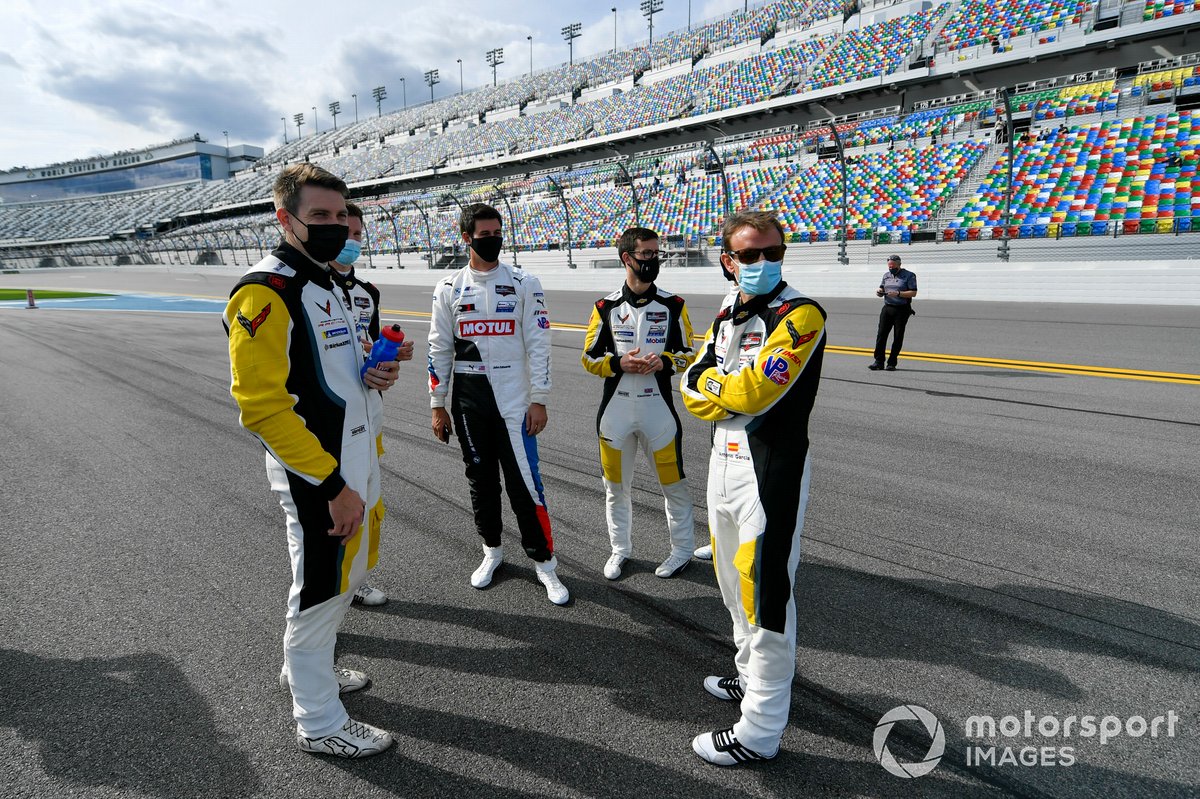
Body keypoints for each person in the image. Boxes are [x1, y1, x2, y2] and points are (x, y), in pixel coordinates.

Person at [224, 164, 411, 759]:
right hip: (317, 471)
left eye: (340, 215)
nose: (334, 226)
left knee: (338, 579)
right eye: (320, 217)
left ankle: (305, 672)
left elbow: (332, 376)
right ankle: (320, 720)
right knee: (325, 587)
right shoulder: (265, 292)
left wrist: (376, 374)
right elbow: (262, 409)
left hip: (356, 453)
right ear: (285, 220)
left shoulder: (331, 284)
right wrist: (332, 484)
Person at [681, 210, 827, 767]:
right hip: (722, 461)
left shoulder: (802, 313)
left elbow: (755, 390)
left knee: (764, 594)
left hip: (770, 469)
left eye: (772, 252)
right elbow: (691, 387)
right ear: (728, 260)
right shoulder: (725, 310)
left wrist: (718, 385)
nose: (763, 262)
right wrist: (722, 386)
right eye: (750, 255)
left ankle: (760, 733)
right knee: (727, 583)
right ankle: (750, 680)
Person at [428, 203, 568, 605]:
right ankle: (492, 551)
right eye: (485, 234)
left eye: (497, 232)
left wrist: (539, 399)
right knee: (480, 481)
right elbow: (439, 349)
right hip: (469, 401)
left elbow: (539, 344)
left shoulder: (525, 282)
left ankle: (545, 563)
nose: (494, 239)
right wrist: (437, 404)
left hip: (514, 400)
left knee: (526, 482)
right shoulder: (449, 287)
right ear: (466, 237)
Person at [581, 227, 696, 581]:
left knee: (673, 484)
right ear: (627, 258)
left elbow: (690, 354)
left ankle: (682, 550)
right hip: (614, 413)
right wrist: (618, 364)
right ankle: (620, 550)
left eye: (656, 254)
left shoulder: (674, 305)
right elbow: (588, 357)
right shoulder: (605, 307)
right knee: (615, 489)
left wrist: (665, 361)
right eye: (646, 255)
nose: (653, 260)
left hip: (657, 410)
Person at [330, 201, 388, 608]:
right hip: (334, 419)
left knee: (371, 505)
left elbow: (371, 347)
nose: (351, 241)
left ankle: (357, 581)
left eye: (356, 235)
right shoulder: (315, 289)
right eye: (344, 233)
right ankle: (331, 591)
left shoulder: (368, 292)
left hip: (370, 412)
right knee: (336, 515)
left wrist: (389, 358)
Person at [868, 254, 917, 371]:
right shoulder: (886, 275)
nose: (891, 267)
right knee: (881, 335)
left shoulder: (909, 275)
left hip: (901, 309)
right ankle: (878, 361)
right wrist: (879, 292)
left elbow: (913, 293)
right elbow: (882, 288)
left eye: (893, 265)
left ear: (899, 265)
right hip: (887, 307)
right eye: (889, 266)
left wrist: (899, 293)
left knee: (898, 336)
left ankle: (892, 362)